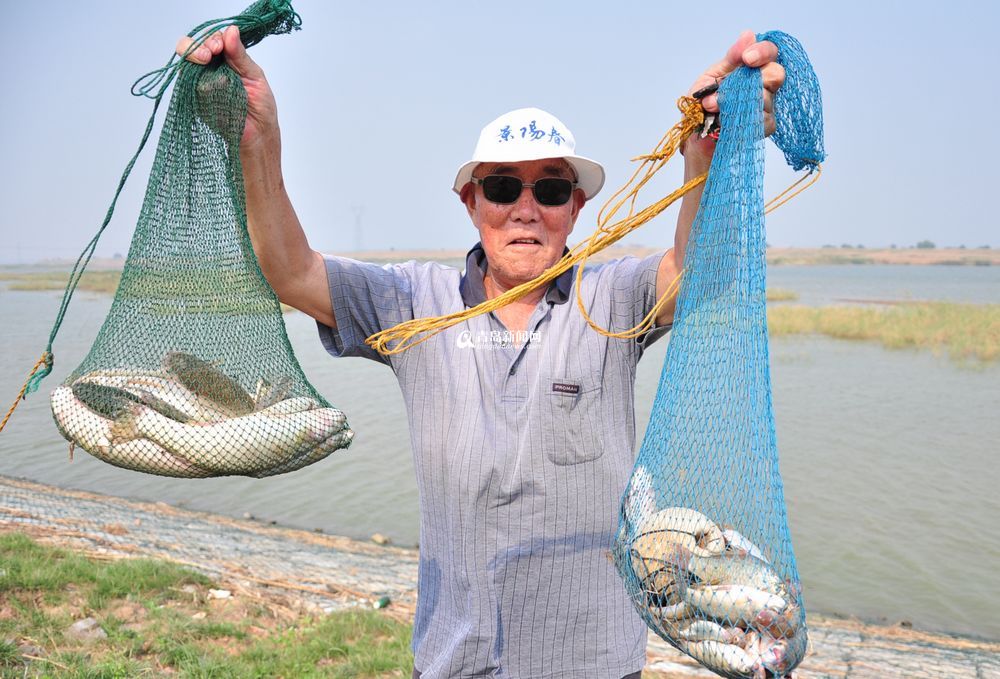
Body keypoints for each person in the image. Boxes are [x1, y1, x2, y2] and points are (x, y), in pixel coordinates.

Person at [179, 27, 785, 679]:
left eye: (551, 191)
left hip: (592, 662)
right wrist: (258, 141)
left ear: (577, 207)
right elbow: (292, 271)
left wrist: (705, 160)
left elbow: (695, 274)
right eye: (502, 188)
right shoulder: (412, 298)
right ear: (470, 202)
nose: (527, 209)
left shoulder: (611, 298)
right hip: (454, 658)